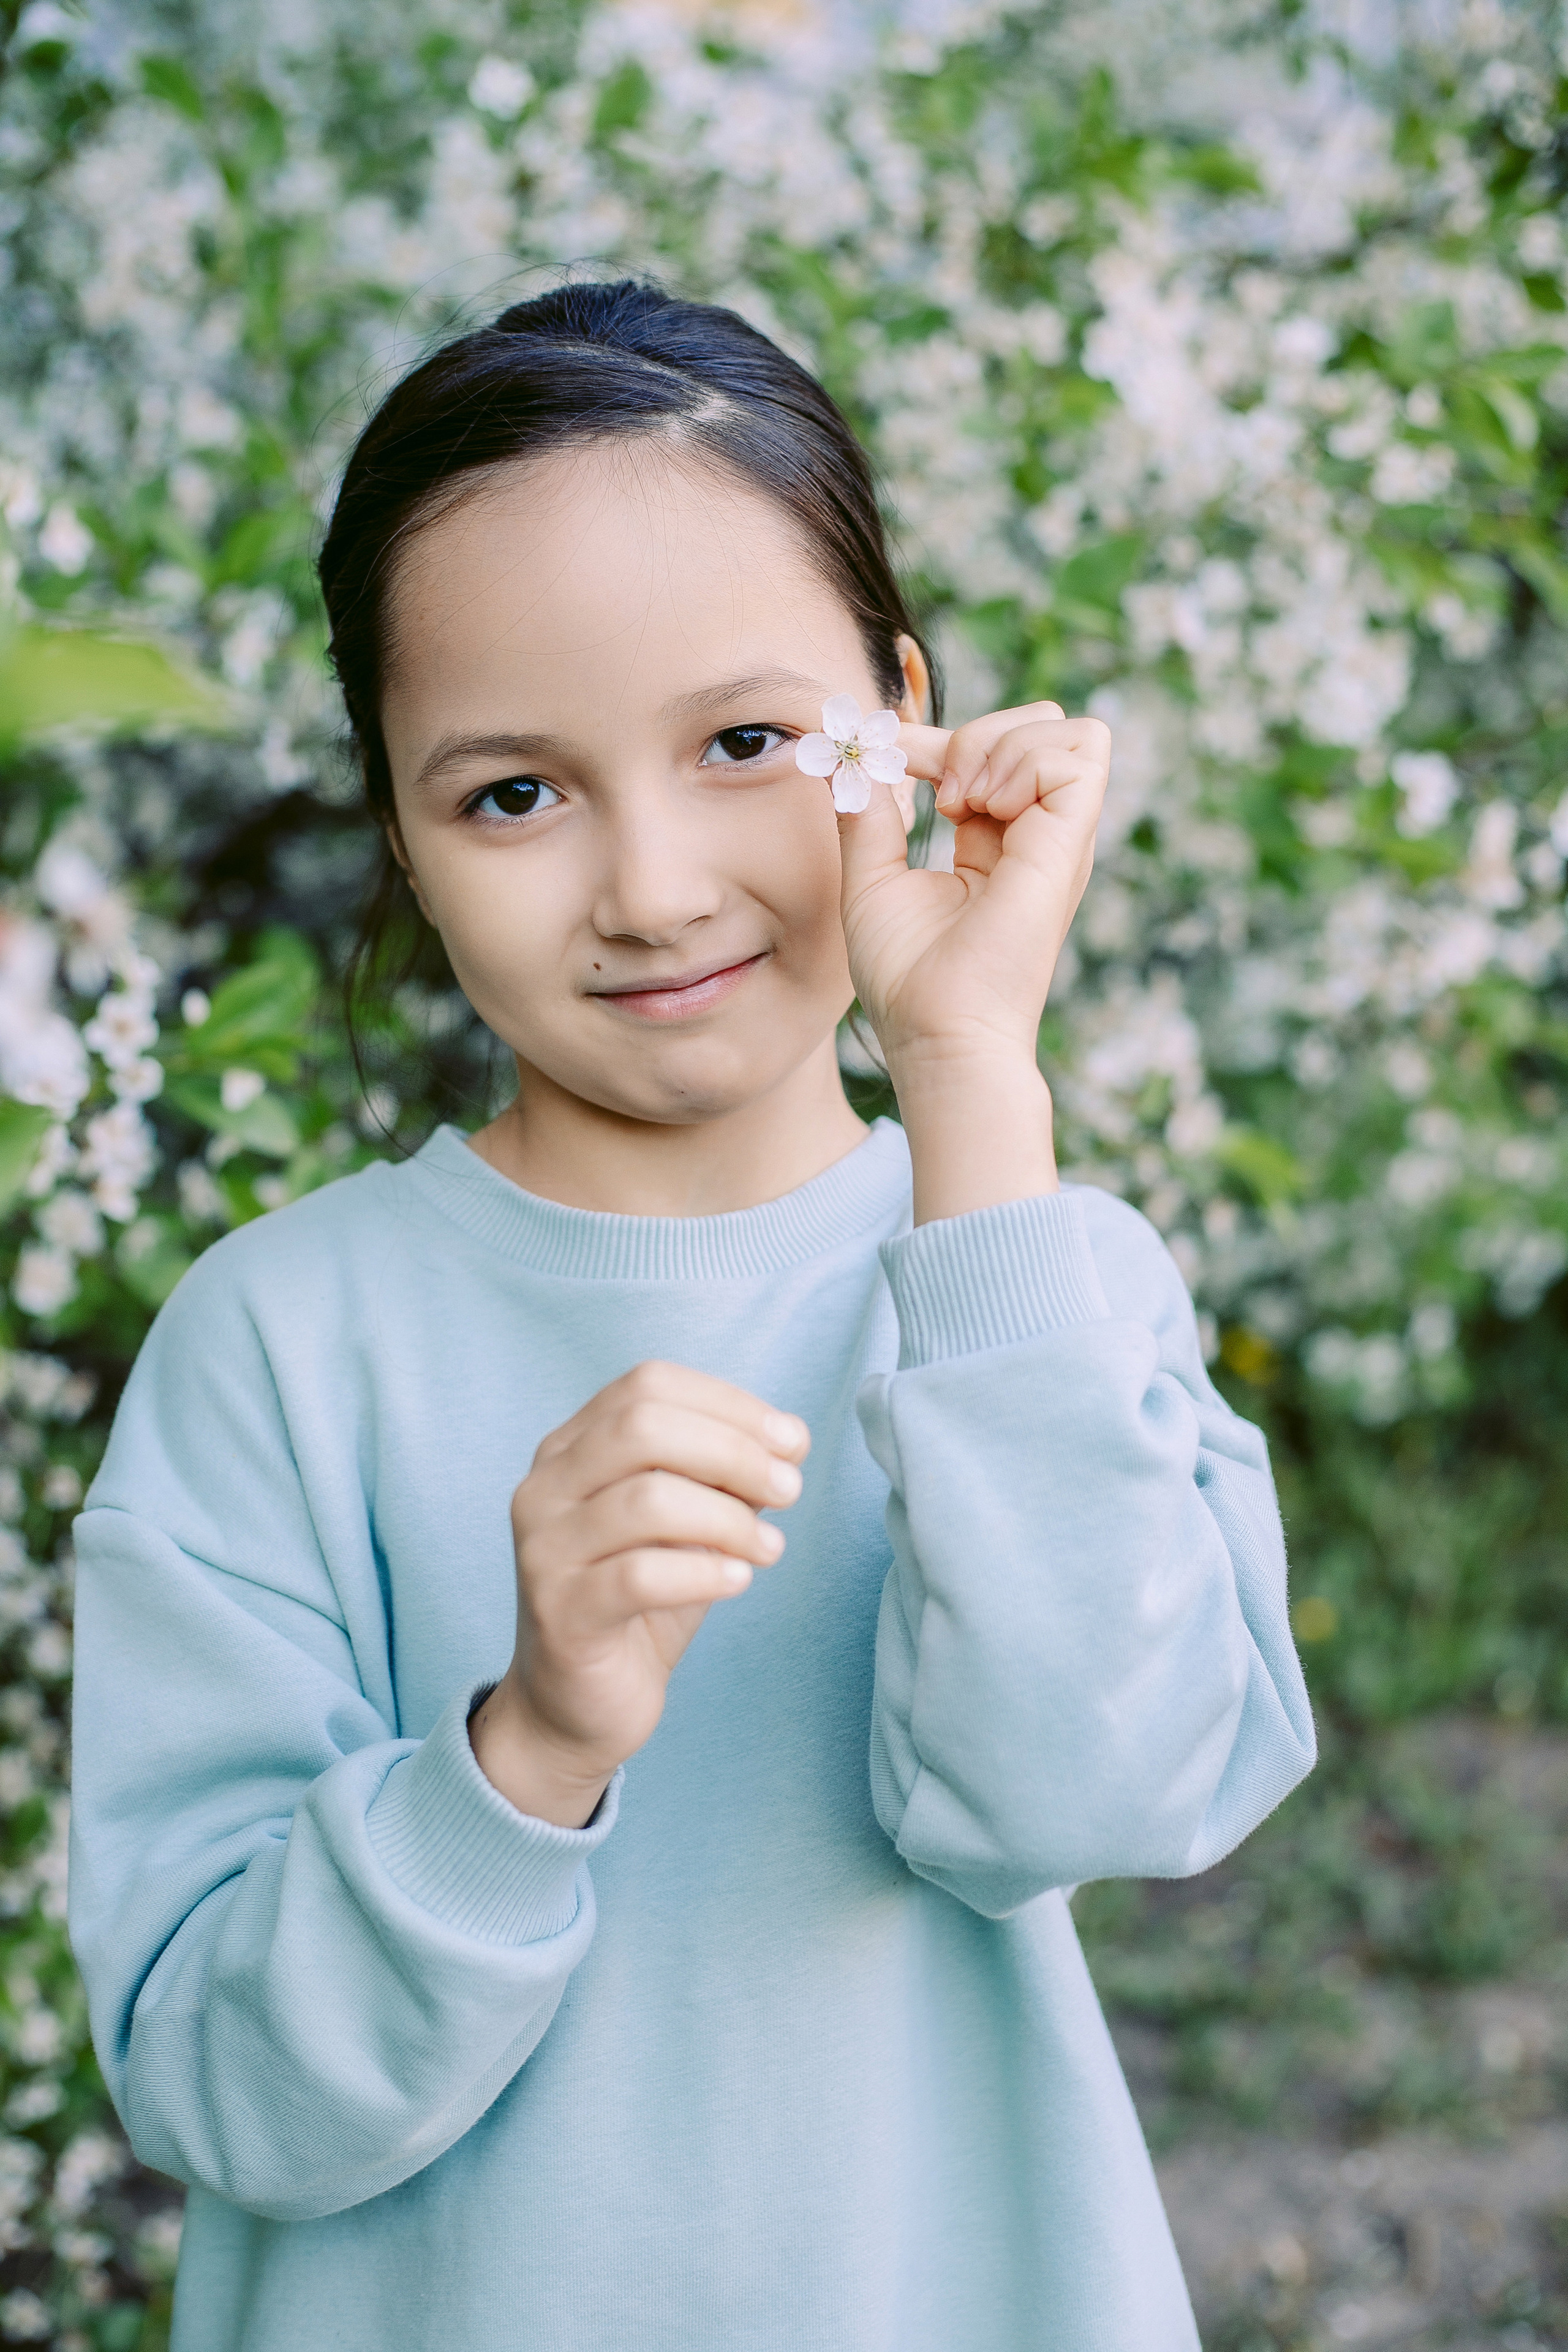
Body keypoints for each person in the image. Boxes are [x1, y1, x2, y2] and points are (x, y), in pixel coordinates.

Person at [68, 280, 1314, 2352]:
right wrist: (523, 1747)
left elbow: (1092, 1800)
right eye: (512, 795)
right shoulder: (278, 1344)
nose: (648, 886)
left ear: (899, 716)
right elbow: (221, 2092)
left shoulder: (1036, 1272)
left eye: (745, 745)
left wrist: (973, 1084)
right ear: (397, 825)